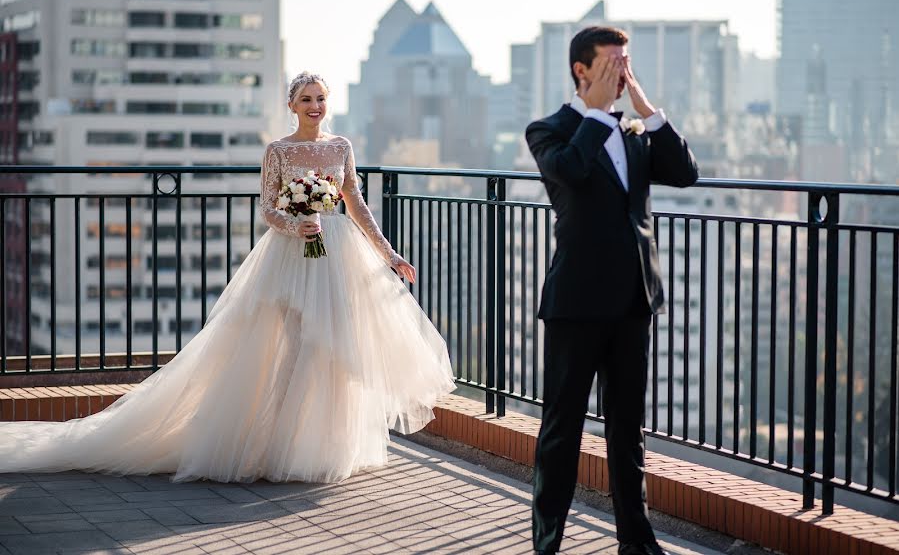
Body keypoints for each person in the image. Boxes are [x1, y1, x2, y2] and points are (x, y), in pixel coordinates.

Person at [0, 71, 456, 484]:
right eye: (306, 98)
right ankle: (272, 445)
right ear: (292, 105)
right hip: (291, 258)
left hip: (337, 256)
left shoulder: (342, 148)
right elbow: (268, 209)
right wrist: (296, 224)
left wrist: (389, 253)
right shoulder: (277, 150)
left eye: (320, 98)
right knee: (296, 346)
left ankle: (321, 447)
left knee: (334, 351)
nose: (315, 105)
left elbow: (355, 203)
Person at [527, 27, 699, 555]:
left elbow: (685, 172)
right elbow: (572, 175)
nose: (621, 73)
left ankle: (637, 543)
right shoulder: (549, 130)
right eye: (611, 64)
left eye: (626, 63)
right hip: (576, 305)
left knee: (628, 432)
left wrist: (644, 106)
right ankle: (547, 542)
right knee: (563, 431)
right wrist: (598, 113)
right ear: (581, 70)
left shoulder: (634, 129)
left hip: (633, 302)